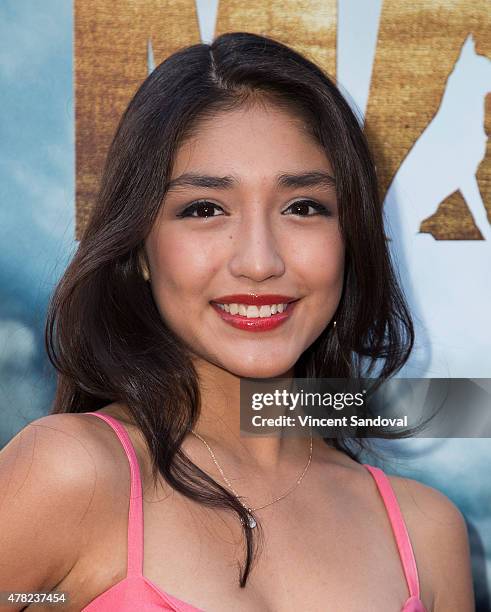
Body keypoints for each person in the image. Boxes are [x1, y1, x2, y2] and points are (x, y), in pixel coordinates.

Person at [0, 32, 474, 611]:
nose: (259, 261)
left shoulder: (428, 535)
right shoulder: (70, 474)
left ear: (349, 239)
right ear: (141, 250)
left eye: (303, 207)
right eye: (204, 209)